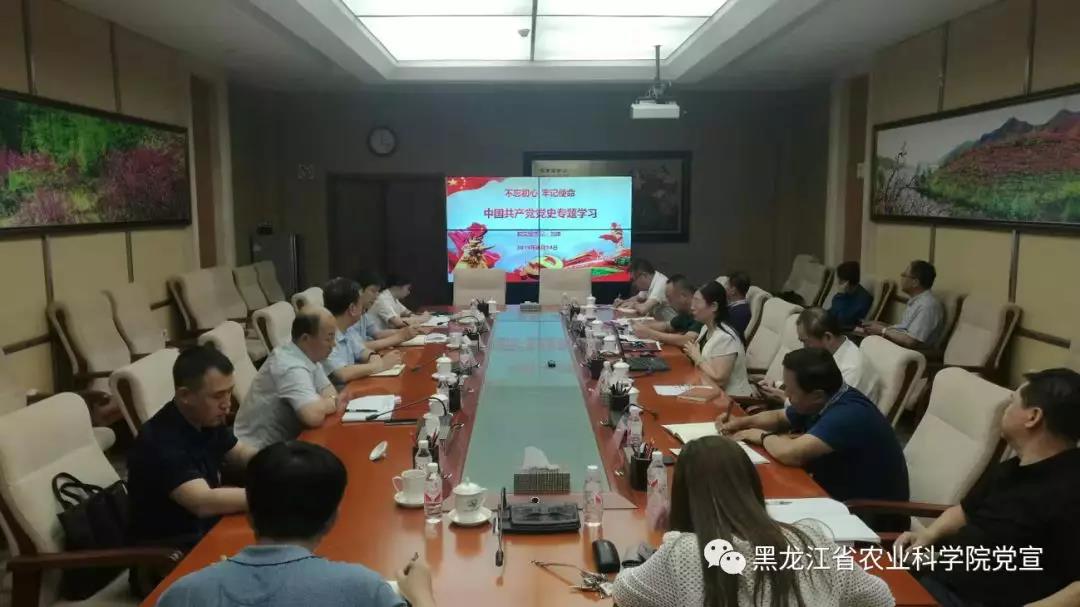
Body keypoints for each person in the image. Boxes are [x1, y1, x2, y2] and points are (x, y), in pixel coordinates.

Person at [611, 435, 894, 607]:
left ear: (685, 497)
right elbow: (880, 598)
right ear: (752, 487)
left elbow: (624, 593)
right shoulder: (812, 538)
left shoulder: (684, 551)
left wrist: (644, 555)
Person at [156, 441, 437, 607]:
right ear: (332, 520)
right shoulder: (363, 589)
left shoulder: (184, 594)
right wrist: (422, 595)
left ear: (250, 513)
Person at [897, 368, 1080, 607]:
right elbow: (964, 511)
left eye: (1012, 403)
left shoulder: (1071, 492)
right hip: (937, 574)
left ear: (1033, 417)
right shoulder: (1013, 467)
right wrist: (928, 535)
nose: (1005, 410)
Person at [719, 348, 909, 509]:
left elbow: (791, 453)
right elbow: (778, 417)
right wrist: (740, 423)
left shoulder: (848, 415)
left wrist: (760, 436)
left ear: (817, 395)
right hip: (827, 492)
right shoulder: (825, 398)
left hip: (865, 513)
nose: (786, 394)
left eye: (791, 391)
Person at [128, 346, 256, 549]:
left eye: (229, 392)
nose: (227, 404)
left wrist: (281, 464)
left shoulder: (205, 418)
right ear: (185, 395)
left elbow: (239, 453)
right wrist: (273, 493)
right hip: (174, 549)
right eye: (218, 396)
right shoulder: (158, 440)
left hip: (209, 528)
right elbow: (202, 501)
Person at [234, 309, 343, 449]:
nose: (333, 344)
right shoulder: (289, 365)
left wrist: (326, 403)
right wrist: (331, 402)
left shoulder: (308, 356)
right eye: (329, 338)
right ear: (305, 339)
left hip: (289, 441)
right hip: (259, 450)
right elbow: (313, 416)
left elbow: (330, 392)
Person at [754, 308, 882, 406]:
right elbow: (808, 391)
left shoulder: (852, 369)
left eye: (806, 341)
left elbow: (827, 413)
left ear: (828, 337)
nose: (804, 347)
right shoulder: (826, 356)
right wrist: (776, 385)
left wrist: (784, 399)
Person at [322, 276, 407, 383]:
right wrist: (381, 365)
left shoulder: (348, 329)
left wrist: (373, 357)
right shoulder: (325, 336)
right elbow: (342, 374)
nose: (362, 304)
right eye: (360, 301)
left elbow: (363, 351)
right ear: (352, 308)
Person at [681, 281, 753, 397]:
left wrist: (697, 357)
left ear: (714, 306)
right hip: (707, 390)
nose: (692, 307)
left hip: (732, 399)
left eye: (697, 302)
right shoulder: (705, 328)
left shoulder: (726, 338)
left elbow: (719, 380)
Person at [861, 260, 944, 349]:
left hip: (909, 352)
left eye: (904, 275)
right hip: (898, 346)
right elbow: (905, 330)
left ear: (915, 282)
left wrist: (883, 330)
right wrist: (883, 326)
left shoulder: (927, 306)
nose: (901, 277)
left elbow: (911, 341)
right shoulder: (917, 301)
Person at [631, 274, 702, 347]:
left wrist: (649, 333)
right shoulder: (685, 312)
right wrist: (642, 326)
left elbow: (687, 340)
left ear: (683, 296)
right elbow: (667, 326)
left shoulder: (701, 311)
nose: (667, 302)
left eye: (669, 298)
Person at [367, 273, 431, 332]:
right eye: (408, 288)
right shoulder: (383, 298)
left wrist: (417, 316)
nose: (409, 292)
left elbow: (407, 312)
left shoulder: (393, 298)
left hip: (388, 333)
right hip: (377, 336)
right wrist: (422, 318)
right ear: (397, 287)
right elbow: (398, 323)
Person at [828, 261, 873, 330]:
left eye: (840, 280)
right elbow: (832, 311)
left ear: (847, 282)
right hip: (831, 324)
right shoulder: (847, 292)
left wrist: (841, 295)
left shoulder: (863, 300)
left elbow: (842, 321)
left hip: (842, 331)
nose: (838, 283)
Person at [724, 271, 752, 338]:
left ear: (733, 290)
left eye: (726, 284)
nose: (724, 287)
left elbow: (728, 337)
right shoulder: (735, 307)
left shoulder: (741, 313)